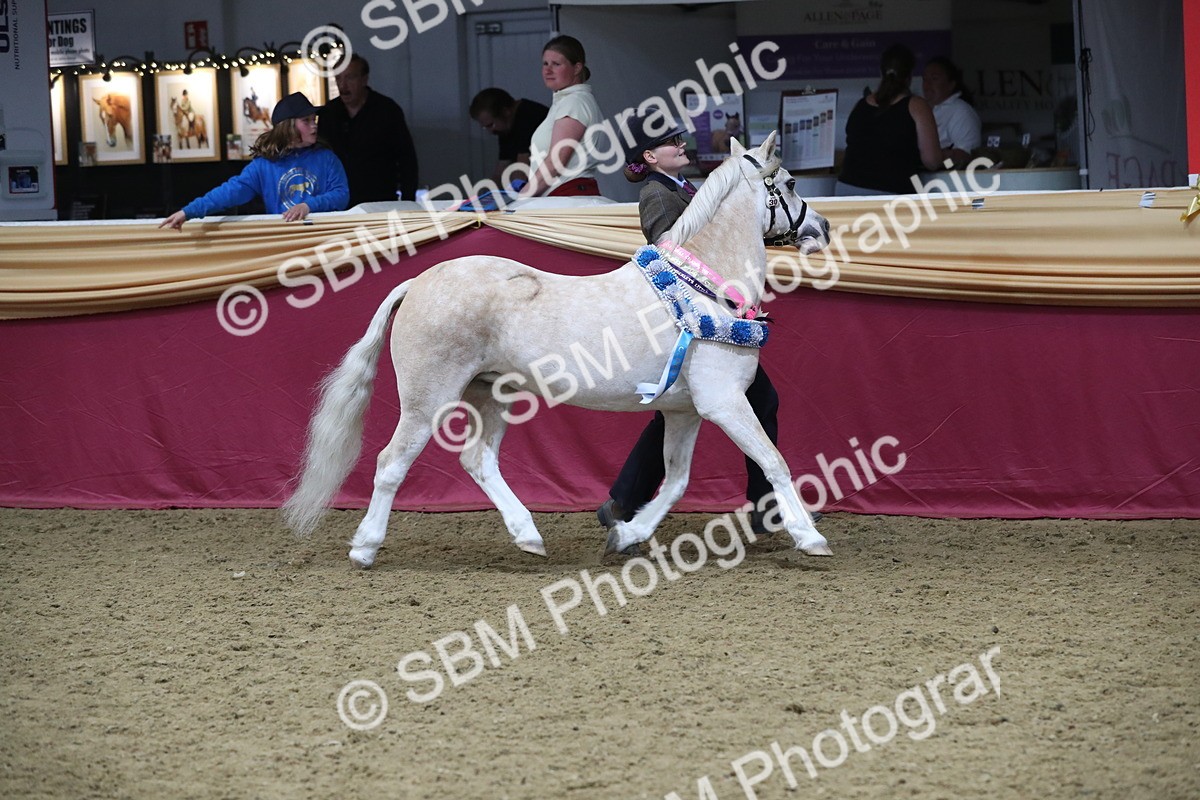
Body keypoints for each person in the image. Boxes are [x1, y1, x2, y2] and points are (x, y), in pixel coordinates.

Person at [596, 115, 819, 542]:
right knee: (747, 401)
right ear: (649, 155)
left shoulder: (684, 189)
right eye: (670, 142)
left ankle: (625, 502)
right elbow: (671, 252)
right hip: (688, 321)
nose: (681, 145)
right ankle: (766, 506)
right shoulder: (656, 195)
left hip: (710, 320)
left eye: (680, 139)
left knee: (691, 410)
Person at [159, 92, 348, 229]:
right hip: (284, 243)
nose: (314, 125)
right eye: (306, 121)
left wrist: (308, 206)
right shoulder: (264, 165)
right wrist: (188, 212)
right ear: (288, 127)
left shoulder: (326, 158)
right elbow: (230, 191)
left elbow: (341, 195)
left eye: (313, 119)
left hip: (322, 240)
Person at [836, 44, 942, 195]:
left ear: (881, 72)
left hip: (846, 189)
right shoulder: (917, 106)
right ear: (909, 76)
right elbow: (932, 161)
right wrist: (949, 156)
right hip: (891, 194)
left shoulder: (860, 105)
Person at [320, 54, 419, 205]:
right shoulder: (329, 112)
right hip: (339, 202)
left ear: (364, 79)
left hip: (380, 200)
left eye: (350, 78)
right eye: (338, 78)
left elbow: (407, 160)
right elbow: (320, 159)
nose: (343, 85)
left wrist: (407, 202)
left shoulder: (387, 110)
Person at [518, 35, 603, 197]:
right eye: (545, 64)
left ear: (577, 68)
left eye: (556, 64)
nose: (547, 70)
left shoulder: (574, 102)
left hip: (567, 198)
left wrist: (520, 199)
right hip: (562, 197)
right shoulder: (565, 101)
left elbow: (555, 163)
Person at [469, 87, 550, 186]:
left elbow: (522, 169)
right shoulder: (505, 126)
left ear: (505, 112)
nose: (491, 131)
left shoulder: (528, 117)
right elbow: (501, 168)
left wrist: (512, 194)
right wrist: (488, 194)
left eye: (490, 125)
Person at [922, 56, 982, 169]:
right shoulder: (925, 109)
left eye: (934, 79)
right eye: (925, 79)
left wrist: (940, 158)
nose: (927, 85)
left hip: (947, 181)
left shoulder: (961, 111)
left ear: (951, 84)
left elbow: (968, 156)